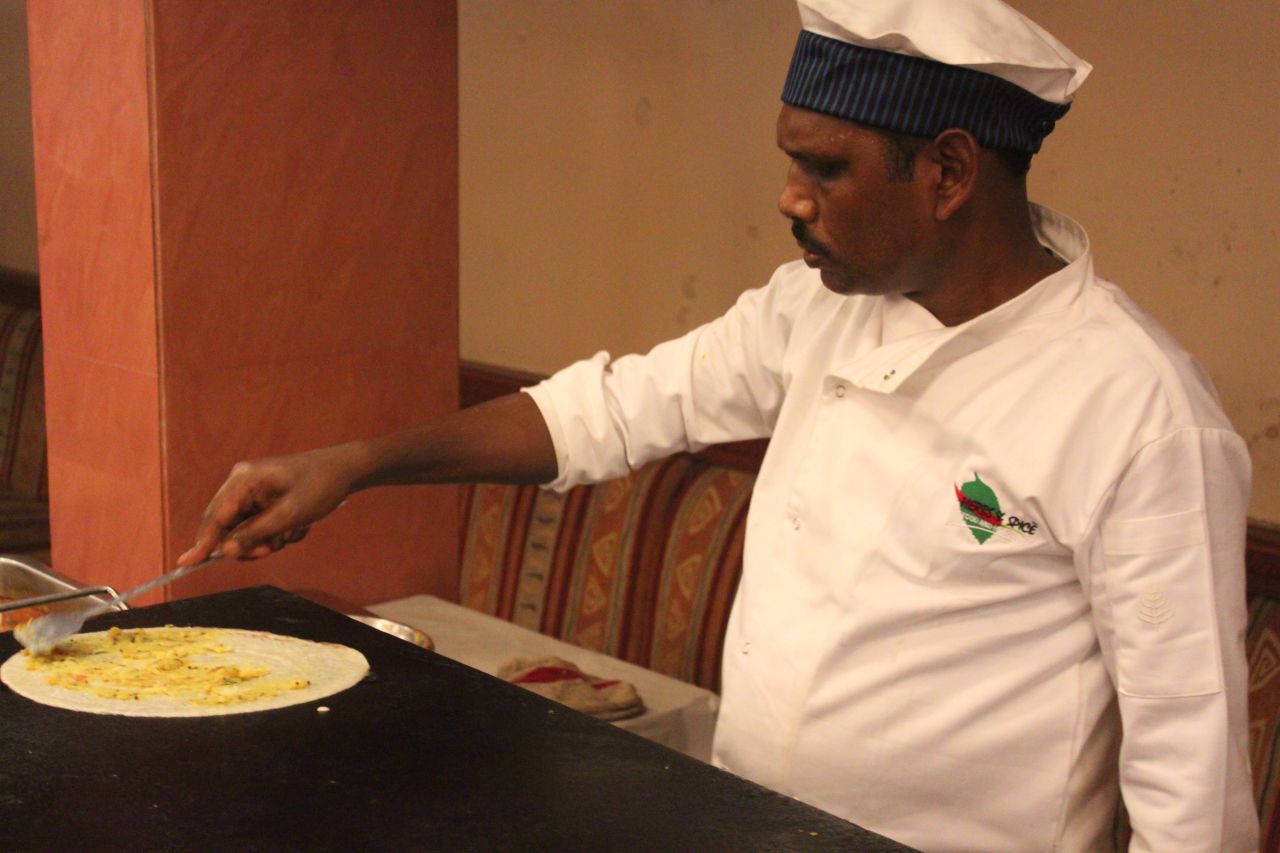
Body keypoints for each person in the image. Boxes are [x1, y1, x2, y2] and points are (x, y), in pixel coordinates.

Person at [180, 1, 1257, 850]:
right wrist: (355, 464)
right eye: (789, 162)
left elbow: (1188, 781)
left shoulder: (1136, 406)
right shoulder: (817, 308)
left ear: (947, 173)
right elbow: (601, 412)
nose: (790, 198)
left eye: (824, 168)